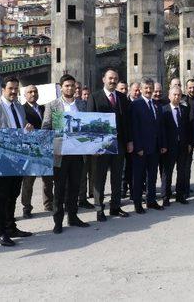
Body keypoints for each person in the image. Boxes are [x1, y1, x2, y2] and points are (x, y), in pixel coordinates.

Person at [0, 76, 34, 247]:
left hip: (18, 158)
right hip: (2, 159)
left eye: (16, 88)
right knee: (1, 196)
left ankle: (11, 226)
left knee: (14, 194)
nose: (13, 91)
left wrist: (28, 129)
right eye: (10, 88)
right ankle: (0, 231)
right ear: (3, 89)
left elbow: (23, 127)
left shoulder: (19, 107)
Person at [42, 74, 89, 233]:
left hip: (77, 153)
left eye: (72, 85)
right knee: (60, 188)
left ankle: (73, 217)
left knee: (75, 186)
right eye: (67, 85)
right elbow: (45, 128)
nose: (70, 88)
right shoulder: (52, 105)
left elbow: (88, 127)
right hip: (60, 153)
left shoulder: (82, 105)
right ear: (61, 87)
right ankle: (58, 221)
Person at [86, 68, 132, 222]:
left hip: (119, 143)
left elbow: (127, 122)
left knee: (117, 177)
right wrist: (93, 146)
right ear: (103, 79)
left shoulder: (122, 97)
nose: (113, 81)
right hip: (102, 145)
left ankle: (115, 206)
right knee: (100, 177)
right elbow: (90, 123)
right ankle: (99, 209)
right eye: (110, 78)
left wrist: (129, 141)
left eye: (115, 78)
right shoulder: (94, 97)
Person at [130, 79, 167, 213]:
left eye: (150, 88)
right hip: (141, 149)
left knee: (152, 176)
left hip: (155, 148)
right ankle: (137, 203)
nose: (149, 90)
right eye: (146, 88)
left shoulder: (156, 105)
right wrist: (138, 147)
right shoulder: (136, 104)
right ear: (141, 88)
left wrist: (162, 144)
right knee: (139, 177)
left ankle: (151, 200)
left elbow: (161, 127)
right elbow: (134, 128)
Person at [20, 85, 53, 219]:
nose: (33, 94)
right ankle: (26, 207)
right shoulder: (21, 110)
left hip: (45, 148)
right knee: (28, 181)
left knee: (48, 180)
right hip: (30, 150)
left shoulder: (44, 108)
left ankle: (49, 203)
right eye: (30, 92)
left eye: (35, 91)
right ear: (25, 95)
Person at [161, 86, 193, 205]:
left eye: (179, 95)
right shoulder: (164, 110)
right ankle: (166, 197)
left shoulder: (185, 110)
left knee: (182, 172)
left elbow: (188, 128)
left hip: (183, 146)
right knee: (167, 172)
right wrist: (163, 145)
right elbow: (162, 130)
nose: (177, 97)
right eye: (174, 95)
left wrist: (189, 143)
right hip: (169, 147)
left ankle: (180, 195)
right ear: (169, 96)